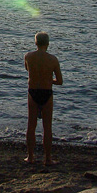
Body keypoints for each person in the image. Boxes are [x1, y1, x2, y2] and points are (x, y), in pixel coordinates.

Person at [23, 31, 63, 165]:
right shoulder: (53, 59)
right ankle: (47, 158)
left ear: (35, 43)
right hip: (47, 92)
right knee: (47, 127)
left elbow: (28, 70)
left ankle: (30, 156)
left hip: (33, 91)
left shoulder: (28, 56)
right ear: (48, 43)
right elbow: (59, 81)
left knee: (31, 125)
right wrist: (48, 79)